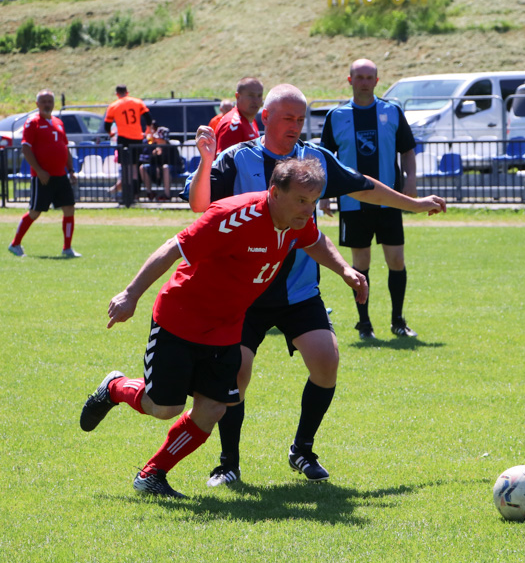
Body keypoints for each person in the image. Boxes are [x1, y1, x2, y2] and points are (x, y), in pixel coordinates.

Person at [186, 84, 445, 487]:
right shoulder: (236, 159)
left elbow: (363, 187)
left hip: (298, 290)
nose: (296, 125)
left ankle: (302, 451)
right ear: (266, 118)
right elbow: (199, 204)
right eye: (287, 117)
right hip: (243, 292)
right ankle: (229, 462)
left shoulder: (314, 158)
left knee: (326, 361)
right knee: (236, 375)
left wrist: (414, 204)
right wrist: (203, 164)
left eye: (301, 118)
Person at [79, 158, 369, 498]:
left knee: (214, 407)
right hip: (181, 318)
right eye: (302, 201)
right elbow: (175, 247)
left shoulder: (295, 220)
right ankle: (115, 387)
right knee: (163, 407)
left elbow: (314, 239)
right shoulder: (234, 215)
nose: (308, 210)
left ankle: (152, 474)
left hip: (228, 326)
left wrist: (345, 270)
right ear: (275, 192)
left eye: (314, 201)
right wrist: (130, 295)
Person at [320, 58, 419, 339]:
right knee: (360, 264)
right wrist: (324, 196)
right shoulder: (336, 116)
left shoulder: (392, 111)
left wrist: (411, 180)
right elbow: (324, 160)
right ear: (350, 80)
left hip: (390, 201)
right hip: (353, 204)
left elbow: (408, 151)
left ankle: (398, 321)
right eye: (359, 77)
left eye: (369, 77)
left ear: (377, 81)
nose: (364, 82)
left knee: (396, 260)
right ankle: (364, 325)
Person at [8, 89, 80, 258]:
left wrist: (70, 170)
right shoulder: (33, 122)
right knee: (35, 212)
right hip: (43, 177)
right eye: (44, 101)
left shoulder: (58, 122)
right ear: (37, 104)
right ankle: (15, 243)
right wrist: (39, 171)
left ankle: (67, 248)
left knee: (69, 208)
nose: (47, 104)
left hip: (60, 175)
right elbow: (26, 148)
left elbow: (64, 148)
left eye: (50, 101)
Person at [104, 85, 153, 189]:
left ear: (117, 94)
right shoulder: (137, 102)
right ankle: (135, 193)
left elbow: (107, 125)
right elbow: (148, 118)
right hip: (137, 137)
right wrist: (148, 129)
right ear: (127, 92)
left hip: (123, 138)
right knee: (134, 167)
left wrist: (111, 133)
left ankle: (127, 194)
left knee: (125, 167)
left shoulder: (113, 106)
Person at [215, 77, 263, 153]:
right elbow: (225, 162)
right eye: (251, 95)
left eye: (259, 96)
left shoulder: (251, 120)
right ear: (238, 96)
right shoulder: (233, 125)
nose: (256, 100)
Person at [139, 126, 184, 201]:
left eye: (158, 137)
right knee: (142, 167)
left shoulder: (172, 147)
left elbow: (174, 161)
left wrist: (162, 155)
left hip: (173, 168)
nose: (156, 139)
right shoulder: (155, 146)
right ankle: (150, 192)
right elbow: (150, 162)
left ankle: (167, 195)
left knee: (165, 167)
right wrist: (154, 155)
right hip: (159, 168)